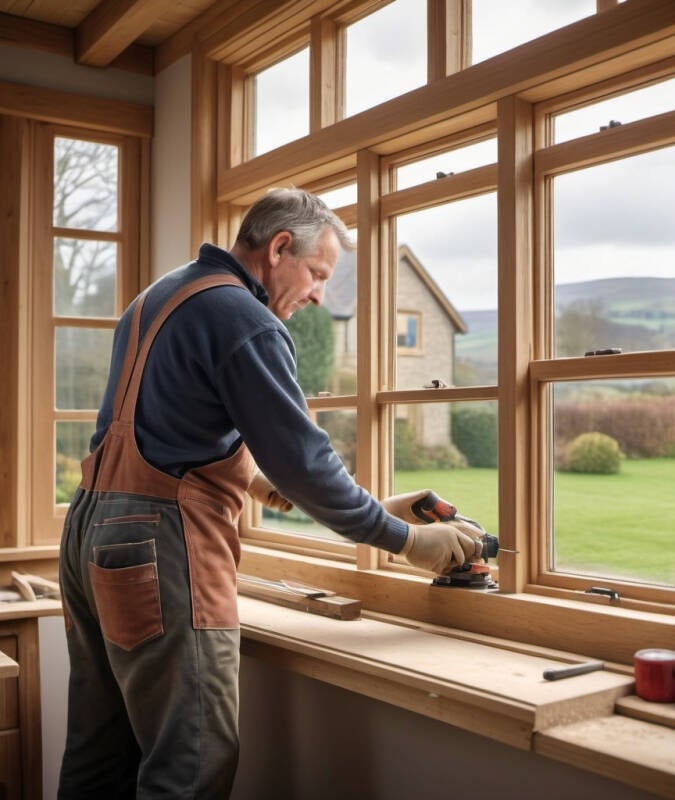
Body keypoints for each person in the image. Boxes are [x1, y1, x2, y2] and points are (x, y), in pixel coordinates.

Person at [57, 187, 484, 799]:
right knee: (190, 762)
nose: (317, 295)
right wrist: (406, 540)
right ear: (279, 247)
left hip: (89, 534)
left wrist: (256, 481)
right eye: (316, 274)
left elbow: (157, 430)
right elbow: (307, 463)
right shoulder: (244, 319)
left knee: (100, 753)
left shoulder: (159, 296)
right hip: (157, 547)